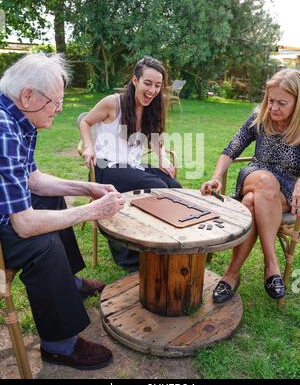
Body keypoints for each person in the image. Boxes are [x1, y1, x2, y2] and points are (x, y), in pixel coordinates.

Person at [0, 53, 125, 370]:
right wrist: (93, 210)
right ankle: (59, 346)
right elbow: (25, 225)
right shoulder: (4, 129)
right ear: (28, 95)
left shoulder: (16, 116)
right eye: (55, 102)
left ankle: (68, 285)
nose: (59, 109)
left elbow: (33, 180)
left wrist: (87, 189)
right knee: (42, 244)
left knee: (51, 202)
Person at [201, 69, 300, 303]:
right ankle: (271, 264)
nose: (273, 107)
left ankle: (231, 275)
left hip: (285, 190)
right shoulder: (259, 116)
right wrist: (216, 176)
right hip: (254, 176)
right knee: (264, 182)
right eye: (270, 100)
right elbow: (231, 149)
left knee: (252, 202)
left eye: (282, 103)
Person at [80, 56, 181, 271]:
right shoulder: (112, 103)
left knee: (174, 187)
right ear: (134, 80)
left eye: (157, 85)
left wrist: (162, 156)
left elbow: (157, 138)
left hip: (131, 167)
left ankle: (171, 242)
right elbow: (85, 121)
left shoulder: (152, 107)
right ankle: (133, 256)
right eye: (147, 83)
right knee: (159, 188)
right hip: (105, 169)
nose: (152, 90)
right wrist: (88, 146)